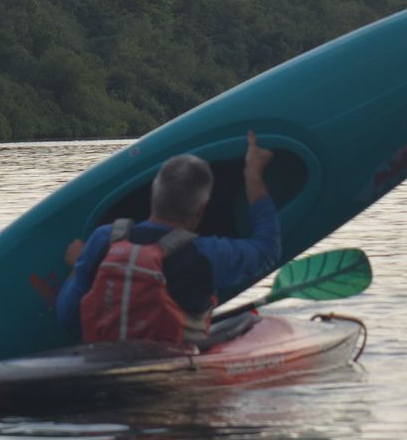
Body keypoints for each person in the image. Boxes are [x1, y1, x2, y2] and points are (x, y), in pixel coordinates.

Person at [56, 131, 282, 348]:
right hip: (174, 367)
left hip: (101, 362)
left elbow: (68, 316)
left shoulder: (104, 240)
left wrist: (78, 266)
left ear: (154, 196)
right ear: (200, 210)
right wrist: (253, 174)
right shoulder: (207, 254)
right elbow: (268, 248)